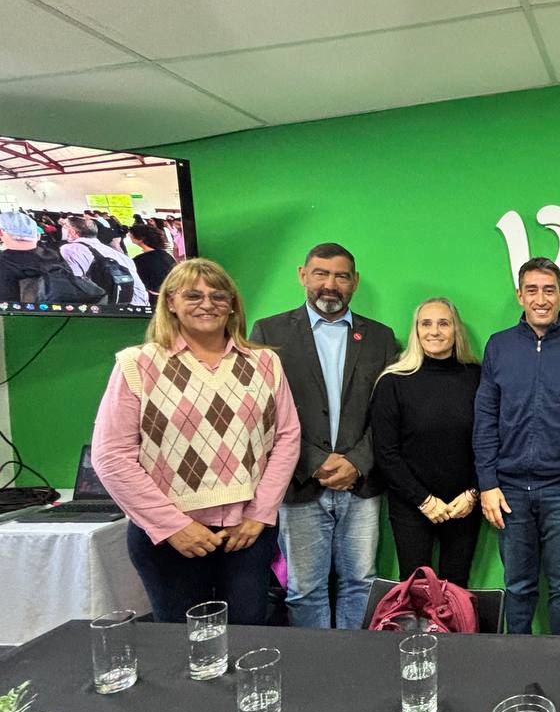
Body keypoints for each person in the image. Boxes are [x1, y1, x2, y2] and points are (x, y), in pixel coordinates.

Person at [90, 259, 301, 624]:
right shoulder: (137, 365)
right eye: (193, 295)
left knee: (249, 636)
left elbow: (286, 438)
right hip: (170, 537)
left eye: (218, 296)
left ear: (232, 304)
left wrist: (260, 514)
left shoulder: (265, 363)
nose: (208, 304)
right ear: (171, 302)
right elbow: (111, 457)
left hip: (247, 533)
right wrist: (173, 525)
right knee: (183, 643)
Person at [249, 243, 399, 629]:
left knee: (361, 583)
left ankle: (354, 661)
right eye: (321, 273)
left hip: (361, 484)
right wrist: (315, 462)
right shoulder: (269, 332)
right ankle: (316, 664)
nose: (330, 284)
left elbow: (390, 414)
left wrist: (357, 462)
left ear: (355, 282)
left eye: (341, 276)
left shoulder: (381, 338)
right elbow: (261, 415)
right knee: (304, 590)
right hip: (299, 483)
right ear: (303, 275)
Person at [473, 257, 560, 634]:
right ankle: (517, 659)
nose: (540, 299)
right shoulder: (499, 346)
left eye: (548, 290)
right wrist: (487, 484)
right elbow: (485, 418)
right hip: (509, 489)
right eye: (532, 290)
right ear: (519, 295)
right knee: (518, 587)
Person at [371, 297, 482, 584]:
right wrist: (423, 500)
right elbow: (386, 453)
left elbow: (489, 441)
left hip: (463, 505)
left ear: (456, 329)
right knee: (415, 587)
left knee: (456, 588)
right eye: (426, 324)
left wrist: (473, 493)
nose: (434, 331)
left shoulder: (477, 378)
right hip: (411, 505)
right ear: (416, 330)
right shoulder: (393, 381)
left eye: (443, 323)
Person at [59, 214, 148, 305]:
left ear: (72, 232)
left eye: (64, 226)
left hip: (106, 307)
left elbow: (76, 283)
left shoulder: (70, 249)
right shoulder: (121, 256)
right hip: (138, 305)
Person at [128, 223, 177, 301]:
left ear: (140, 238)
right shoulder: (165, 255)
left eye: (131, 234)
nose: (129, 235)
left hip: (155, 299)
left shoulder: (140, 260)